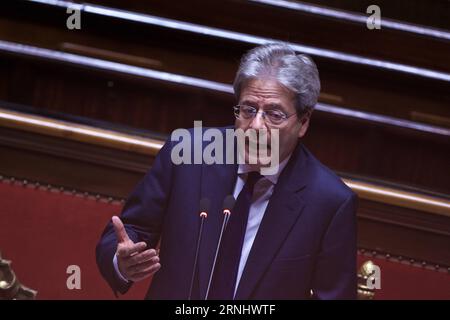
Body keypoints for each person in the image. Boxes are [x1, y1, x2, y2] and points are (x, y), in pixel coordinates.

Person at [96, 43, 357, 300]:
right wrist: (123, 262)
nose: (255, 126)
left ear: (303, 122)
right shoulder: (188, 155)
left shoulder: (329, 202)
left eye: (274, 115)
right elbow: (130, 230)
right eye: (248, 110)